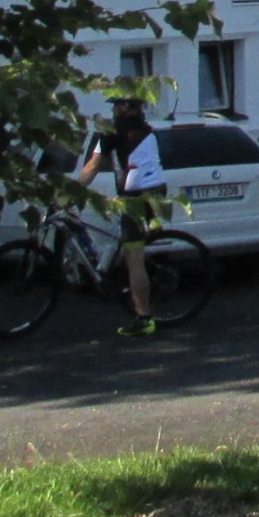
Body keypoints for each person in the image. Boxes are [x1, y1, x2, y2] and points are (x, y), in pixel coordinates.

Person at [77, 97, 169, 337]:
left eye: (116, 104)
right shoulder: (147, 129)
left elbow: (92, 166)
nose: (112, 108)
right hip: (156, 195)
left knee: (134, 259)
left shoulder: (110, 132)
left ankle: (144, 319)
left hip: (133, 199)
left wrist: (73, 191)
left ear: (125, 108)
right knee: (131, 249)